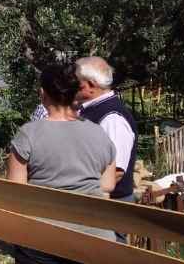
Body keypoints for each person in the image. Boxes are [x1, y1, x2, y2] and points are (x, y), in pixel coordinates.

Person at [7, 63, 117, 263]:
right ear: (75, 93)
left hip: (41, 238)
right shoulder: (99, 133)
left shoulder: (28, 133)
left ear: (42, 93)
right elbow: (108, 185)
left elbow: (15, 191)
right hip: (94, 237)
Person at [74, 56, 138, 242]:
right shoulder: (90, 111)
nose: (71, 86)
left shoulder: (112, 118)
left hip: (109, 204)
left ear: (90, 85)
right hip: (94, 201)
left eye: (75, 82)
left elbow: (116, 171)